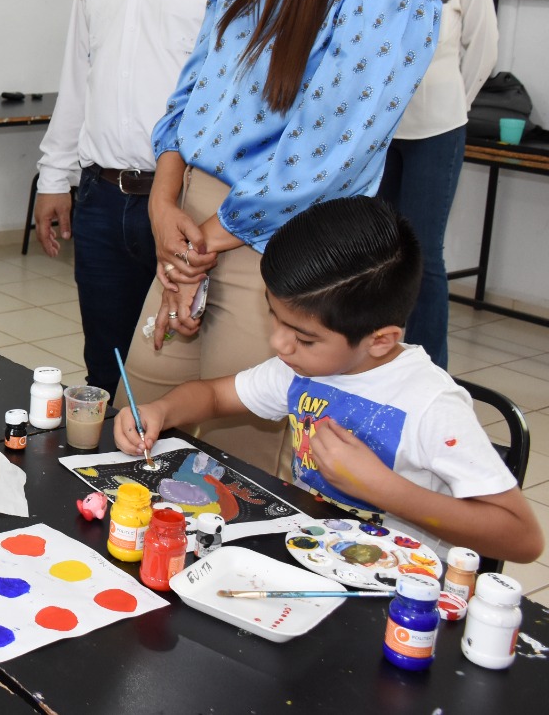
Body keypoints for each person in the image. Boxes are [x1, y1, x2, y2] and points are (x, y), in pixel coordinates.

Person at [126, 0, 439, 477]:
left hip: (275, 245)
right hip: (192, 223)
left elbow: (321, 154)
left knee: (238, 469)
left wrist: (204, 238)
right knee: (141, 420)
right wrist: (164, 201)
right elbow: (193, 86)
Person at [114, 197, 542, 564]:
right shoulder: (306, 367)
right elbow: (211, 395)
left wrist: (381, 488)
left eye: (303, 336)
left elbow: (521, 538)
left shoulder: (433, 406)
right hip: (312, 555)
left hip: (398, 593)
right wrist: (160, 410)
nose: (280, 343)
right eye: (274, 317)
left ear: (381, 340)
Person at [35, 0, 251, 398]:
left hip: (197, 205)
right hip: (104, 200)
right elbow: (82, 64)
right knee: (108, 377)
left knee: (198, 388)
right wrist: (56, 175)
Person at [377, 0, 499, 368]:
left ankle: (430, 371)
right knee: (382, 250)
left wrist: (453, 105)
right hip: (381, 132)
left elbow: (483, 51)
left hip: (437, 131)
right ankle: (379, 361)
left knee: (423, 253)